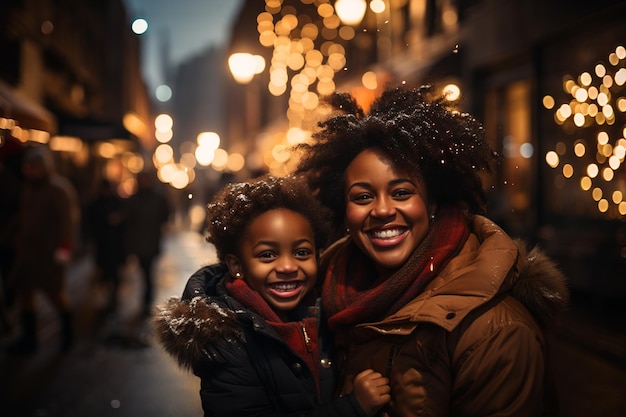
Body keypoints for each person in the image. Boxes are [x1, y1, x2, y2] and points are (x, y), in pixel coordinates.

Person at [187, 86, 570, 416]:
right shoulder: (321, 293)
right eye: (363, 196)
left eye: (401, 192)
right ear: (344, 209)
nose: (383, 210)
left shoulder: (494, 330)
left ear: (433, 201)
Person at [152, 174, 390, 417]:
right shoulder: (227, 342)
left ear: (317, 257)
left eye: (301, 252)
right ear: (237, 265)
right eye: (267, 255)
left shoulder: (321, 312)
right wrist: (353, 408)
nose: (287, 267)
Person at [5, 145, 80, 353]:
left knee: (55, 293)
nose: (30, 171)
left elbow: (67, 222)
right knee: (25, 292)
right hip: (28, 252)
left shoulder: (58, 189)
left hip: (49, 253)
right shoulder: (29, 188)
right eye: (27, 167)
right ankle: (29, 339)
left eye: (34, 167)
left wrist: (64, 249)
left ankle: (68, 333)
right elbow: (23, 217)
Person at [123, 171, 170, 316]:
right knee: (144, 272)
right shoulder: (135, 199)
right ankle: (146, 301)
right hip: (139, 242)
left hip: (150, 241)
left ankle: (147, 301)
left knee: (147, 272)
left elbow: (165, 215)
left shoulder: (156, 199)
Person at [85, 179, 126, 311]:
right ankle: (107, 295)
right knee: (104, 271)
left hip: (115, 245)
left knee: (114, 272)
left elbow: (126, 221)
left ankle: (113, 297)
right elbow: (89, 222)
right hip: (102, 245)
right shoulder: (95, 204)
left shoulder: (117, 203)